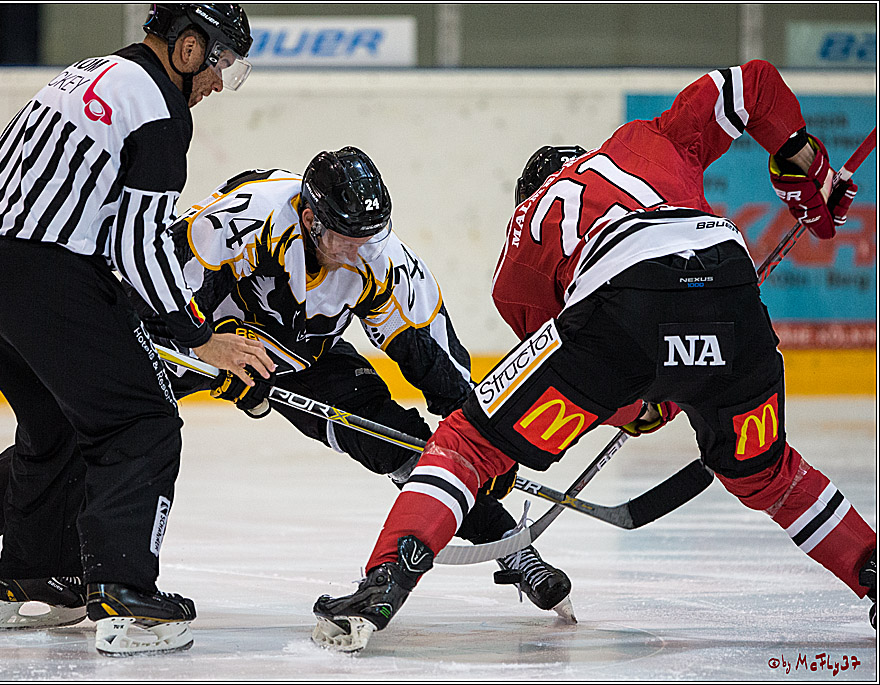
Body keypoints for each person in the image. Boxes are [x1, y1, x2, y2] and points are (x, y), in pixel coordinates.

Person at [0, 147, 576, 633]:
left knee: (407, 444)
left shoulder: (382, 261)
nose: (362, 251)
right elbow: (146, 286)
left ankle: (512, 548)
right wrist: (211, 352)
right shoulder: (242, 218)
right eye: (346, 239)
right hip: (199, 331)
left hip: (300, 355)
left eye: (371, 237)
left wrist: (486, 434)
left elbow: (432, 367)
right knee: (80, 442)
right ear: (308, 217)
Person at [311, 59, 877, 652]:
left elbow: (586, 375)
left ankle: (384, 581)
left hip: (623, 306)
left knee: (469, 444)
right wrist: (807, 173)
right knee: (766, 472)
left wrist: (637, 407)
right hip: (732, 289)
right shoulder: (643, 140)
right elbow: (755, 83)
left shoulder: (519, 251)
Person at [0, 3, 272, 658]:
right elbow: (141, 246)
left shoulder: (90, 72)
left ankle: (32, 580)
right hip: (38, 271)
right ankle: (123, 594)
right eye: (222, 62)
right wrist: (200, 337)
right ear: (191, 48)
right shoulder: (161, 112)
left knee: (56, 421)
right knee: (141, 419)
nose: (220, 83)